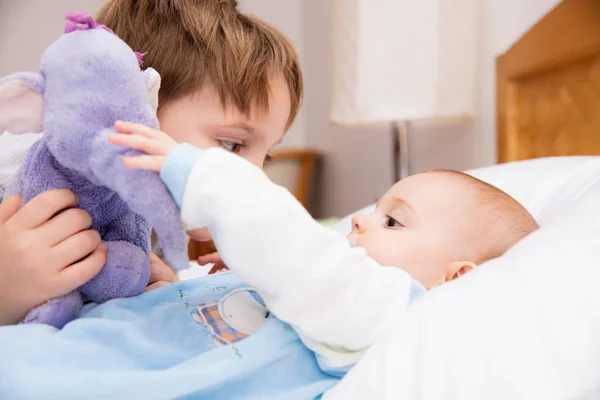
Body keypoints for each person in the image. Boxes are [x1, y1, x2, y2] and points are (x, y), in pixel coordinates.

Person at [0, 0, 302, 325]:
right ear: (140, 107)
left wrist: (165, 294)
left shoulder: (147, 227)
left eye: (266, 154)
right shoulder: (21, 185)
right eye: (232, 144)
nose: (256, 177)